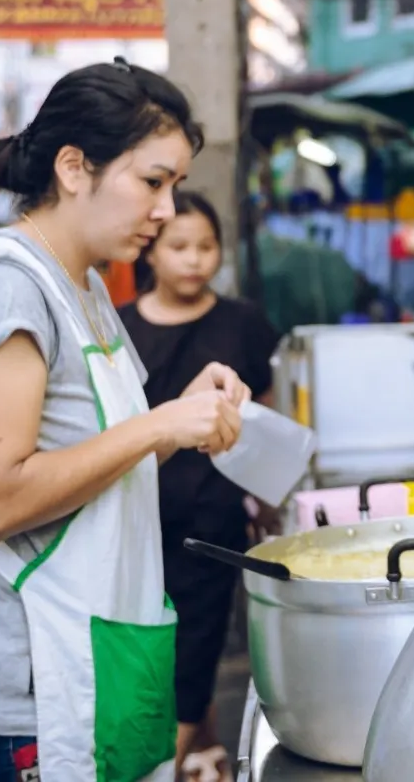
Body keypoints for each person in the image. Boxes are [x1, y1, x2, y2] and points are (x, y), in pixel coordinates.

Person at [0, 60, 249, 782]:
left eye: (174, 186)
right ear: (74, 167)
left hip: (89, 658)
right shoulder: (2, 287)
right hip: (3, 693)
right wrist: (156, 426)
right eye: (153, 181)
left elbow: (97, 465)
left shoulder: (81, 285)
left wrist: (182, 421)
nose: (168, 210)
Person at [117, 191, 283, 782]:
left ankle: (180, 754)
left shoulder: (244, 322)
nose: (194, 259)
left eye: (206, 247)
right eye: (179, 246)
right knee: (144, 650)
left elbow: (263, 411)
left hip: (213, 520)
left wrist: (266, 501)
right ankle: (191, 750)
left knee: (197, 649)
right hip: (135, 516)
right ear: (151, 253)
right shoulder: (120, 327)